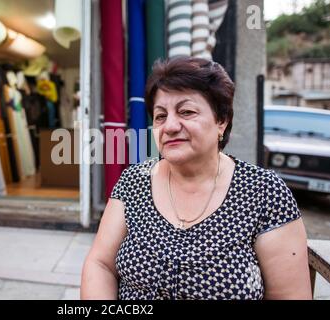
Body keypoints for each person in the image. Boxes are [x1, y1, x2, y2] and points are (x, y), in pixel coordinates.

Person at [81, 57, 312, 300]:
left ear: (221, 121)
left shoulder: (264, 191)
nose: (169, 126)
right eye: (160, 116)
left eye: (186, 112)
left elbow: (289, 295)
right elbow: (100, 265)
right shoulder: (133, 182)